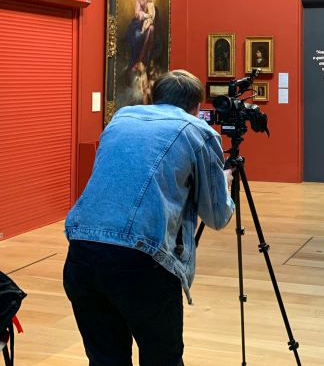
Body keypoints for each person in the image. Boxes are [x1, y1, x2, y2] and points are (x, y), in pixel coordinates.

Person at [63, 70, 235, 366]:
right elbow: (217, 216)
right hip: (142, 261)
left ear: (153, 98)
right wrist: (225, 183)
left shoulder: (121, 119)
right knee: (162, 359)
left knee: (105, 359)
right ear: (196, 108)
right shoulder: (198, 131)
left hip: (81, 252)